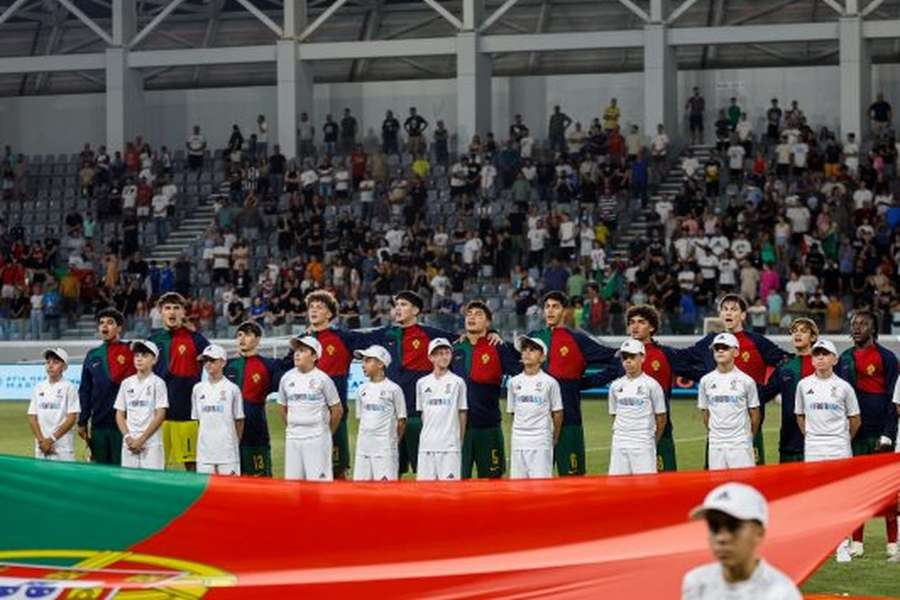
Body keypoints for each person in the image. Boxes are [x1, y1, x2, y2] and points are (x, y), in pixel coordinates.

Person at [682, 293, 787, 465]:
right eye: (725, 309)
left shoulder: (757, 342)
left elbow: (786, 364)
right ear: (720, 314)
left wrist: (765, 392)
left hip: (748, 426)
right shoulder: (710, 341)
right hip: (718, 433)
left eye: (734, 309)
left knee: (750, 478)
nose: (728, 313)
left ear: (743, 315)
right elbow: (683, 358)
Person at [528, 291, 618, 476]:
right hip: (536, 424)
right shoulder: (533, 339)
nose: (550, 311)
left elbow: (615, 357)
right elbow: (511, 360)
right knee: (534, 482)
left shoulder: (577, 340)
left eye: (556, 306)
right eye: (547, 307)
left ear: (565, 311)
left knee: (572, 479)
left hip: (569, 421)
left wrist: (583, 383)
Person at [293, 290, 381, 479]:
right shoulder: (300, 342)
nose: (314, 310)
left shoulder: (343, 337)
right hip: (304, 416)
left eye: (320, 307)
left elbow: (374, 337)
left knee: (338, 470)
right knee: (303, 473)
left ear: (330, 314)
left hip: (334, 415)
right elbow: (284, 368)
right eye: (311, 307)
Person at [838, 309, 898, 557]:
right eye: (853, 323)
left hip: (880, 433)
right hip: (854, 434)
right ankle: (858, 543)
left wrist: (887, 434)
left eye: (862, 324)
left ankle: (892, 543)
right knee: (856, 490)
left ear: (873, 329)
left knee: (888, 490)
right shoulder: (844, 358)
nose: (856, 327)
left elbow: (895, 400)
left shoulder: (887, 358)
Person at [795, 338, 860, 561]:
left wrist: (841, 438)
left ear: (834, 359)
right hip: (813, 446)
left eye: (824, 354)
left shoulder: (843, 387)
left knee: (841, 497)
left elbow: (855, 419)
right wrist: (812, 436)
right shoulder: (804, 385)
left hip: (839, 446)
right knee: (816, 497)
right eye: (816, 354)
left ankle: (842, 545)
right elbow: (800, 415)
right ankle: (819, 544)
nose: (820, 358)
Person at [682, 482, 802, 599]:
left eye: (733, 526)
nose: (721, 538)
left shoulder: (781, 594)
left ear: (759, 533)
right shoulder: (696, 583)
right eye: (714, 526)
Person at [451, 300, 521, 479]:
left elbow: (522, 372)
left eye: (478, 314)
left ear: (488, 323)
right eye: (469, 314)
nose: (472, 317)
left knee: (493, 483)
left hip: (488, 427)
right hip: (457, 429)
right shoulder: (453, 349)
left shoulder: (498, 347)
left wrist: (500, 339)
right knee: (457, 482)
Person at [624, 305, 694, 471]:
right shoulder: (622, 356)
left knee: (665, 484)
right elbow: (603, 376)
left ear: (652, 327)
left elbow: (694, 372)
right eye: (632, 322)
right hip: (629, 433)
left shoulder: (666, 354)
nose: (635, 326)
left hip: (660, 429)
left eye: (641, 322)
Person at [149, 292, 209, 471]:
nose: (172, 312)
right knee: (157, 463)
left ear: (183, 312)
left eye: (176, 308)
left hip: (187, 414)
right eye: (167, 308)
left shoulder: (196, 339)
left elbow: (216, 361)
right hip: (158, 414)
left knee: (192, 464)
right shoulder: (152, 341)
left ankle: (193, 498)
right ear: (160, 312)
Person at [278, 335, 342, 481]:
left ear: (314, 356)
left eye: (302, 350)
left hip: (317, 438)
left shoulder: (323, 379)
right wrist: (293, 426)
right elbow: (281, 406)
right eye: (296, 350)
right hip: (293, 438)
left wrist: (326, 432)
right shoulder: (286, 378)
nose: (297, 354)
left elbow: (337, 410)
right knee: (293, 484)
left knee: (319, 485)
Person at [78, 307, 135, 465]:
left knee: (122, 469)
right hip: (98, 423)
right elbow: (85, 390)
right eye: (101, 323)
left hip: (125, 424)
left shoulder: (131, 350)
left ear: (119, 328)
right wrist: (82, 421)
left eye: (110, 323)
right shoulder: (93, 355)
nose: (105, 326)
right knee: (100, 470)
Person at [224, 320, 282, 477]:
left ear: (257, 339)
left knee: (260, 478)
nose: (242, 339)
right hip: (229, 430)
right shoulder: (227, 366)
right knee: (232, 480)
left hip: (256, 430)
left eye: (248, 335)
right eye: (240, 335)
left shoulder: (269, 365)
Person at [697, 332, 760, 470]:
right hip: (716, 443)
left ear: (736, 352)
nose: (720, 350)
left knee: (743, 483)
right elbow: (706, 414)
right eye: (716, 347)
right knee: (719, 484)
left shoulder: (746, 381)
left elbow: (754, 413)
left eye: (725, 347)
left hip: (740, 443)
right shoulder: (705, 381)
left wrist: (748, 437)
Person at [607, 339, 666, 475]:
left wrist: (650, 439)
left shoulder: (651, 385)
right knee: (618, 486)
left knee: (646, 486)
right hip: (620, 442)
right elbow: (614, 414)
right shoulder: (615, 386)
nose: (627, 361)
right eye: (624, 357)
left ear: (643, 357)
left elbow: (661, 417)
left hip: (643, 442)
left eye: (632, 357)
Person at [761, 318, 817, 463]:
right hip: (790, 442)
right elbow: (763, 395)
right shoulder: (785, 367)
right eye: (794, 331)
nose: (797, 334)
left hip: (820, 442)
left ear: (813, 337)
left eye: (803, 331)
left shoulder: (823, 364)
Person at [507, 336, 563, 479]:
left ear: (542, 357)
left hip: (540, 440)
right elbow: (513, 413)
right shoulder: (513, 382)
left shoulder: (550, 383)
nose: (526, 353)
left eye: (532, 350)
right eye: (524, 350)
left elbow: (557, 412)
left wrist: (554, 437)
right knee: (518, 487)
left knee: (541, 487)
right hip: (519, 440)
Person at [416, 338, 467, 481]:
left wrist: (459, 440)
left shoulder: (458, 382)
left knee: (449, 492)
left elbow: (462, 412)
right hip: (427, 444)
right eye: (438, 353)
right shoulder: (422, 383)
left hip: (449, 446)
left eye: (446, 353)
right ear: (430, 357)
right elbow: (423, 414)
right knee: (426, 492)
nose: (443, 357)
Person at [353, 345, 406, 481]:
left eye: (368, 360)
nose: (363, 364)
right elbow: (361, 420)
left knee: (385, 493)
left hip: (385, 451)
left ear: (381, 364)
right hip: (363, 450)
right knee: (361, 491)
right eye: (363, 361)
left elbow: (401, 421)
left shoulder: (394, 389)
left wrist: (391, 443)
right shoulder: (361, 390)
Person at [114, 340, 168, 470]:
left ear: (154, 360)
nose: (139, 359)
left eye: (144, 355)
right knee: (130, 485)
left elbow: (160, 414)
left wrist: (142, 439)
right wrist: (128, 438)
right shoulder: (126, 383)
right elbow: (119, 414)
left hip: (151, 444)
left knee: (152, 485)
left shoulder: (158, 383)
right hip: (129, 443)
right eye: (136, 355)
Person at [192, 344, 244, 476]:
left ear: (223, 362)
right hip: (204, 454)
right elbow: (198, 421)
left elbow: (239, 420)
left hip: (227, 454)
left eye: (212, 360)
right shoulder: (198, 389)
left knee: (230, 493)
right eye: (205, 361)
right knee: (207, 493)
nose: (208, 364)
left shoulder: (232, 389)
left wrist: (233, 443)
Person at [27, 347, 79, 462]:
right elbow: (32, 417)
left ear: (64, 367)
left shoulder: (69, 387)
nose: (50, 365)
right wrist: (42, 441)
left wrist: (50, 440)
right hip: (42, 448)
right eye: (48, 362)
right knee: (41, 479)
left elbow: (72, 418)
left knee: (64, 479)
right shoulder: (38, 387)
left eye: (55, 362)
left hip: (62, 448)